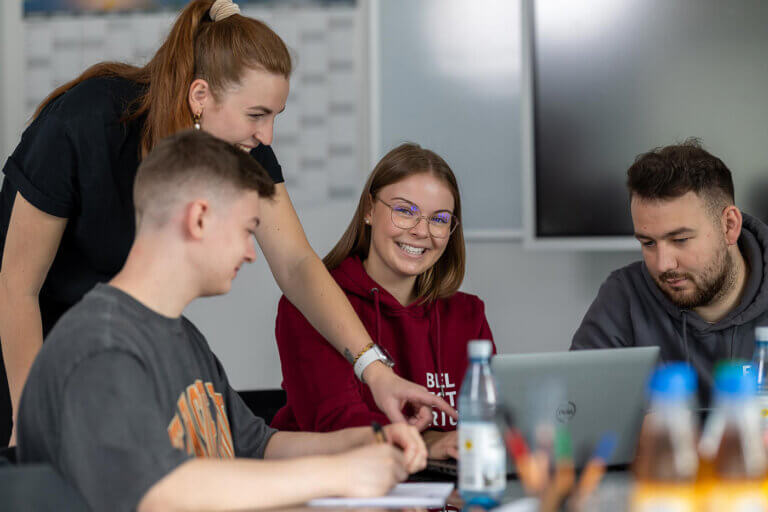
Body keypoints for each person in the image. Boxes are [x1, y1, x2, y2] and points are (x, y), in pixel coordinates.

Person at [0, 0, 452, 446]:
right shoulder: (84, 122)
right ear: (200, 97)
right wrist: (32, 422)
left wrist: (374, 369)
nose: (267, 136)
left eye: (275, 117)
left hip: (116, 358)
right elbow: (16, 288)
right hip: (22, 349)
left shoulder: (243, 145)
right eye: (257, 115)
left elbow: (295, 263)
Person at [17, 130, 427, 512]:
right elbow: (155, 492)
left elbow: (260, 446)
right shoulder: (100, 345)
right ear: (198, 218)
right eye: (247, 230)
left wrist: (365, 442)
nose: (251, 253)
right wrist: (339, 474)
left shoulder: (183, 338)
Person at [271, 143, 495, 460]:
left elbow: (490, 421)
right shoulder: (310, 304)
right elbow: (335, 425)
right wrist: (430, 444)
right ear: (369, 210)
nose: (421, 231)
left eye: (439, 219)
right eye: (405, 211)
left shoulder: (469, 313)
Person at [571, 140, 768, 405]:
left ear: (729, 226)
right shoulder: (624, 296)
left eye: (680, 240)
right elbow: (577, 409)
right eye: (648, 243)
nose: (663, 264)